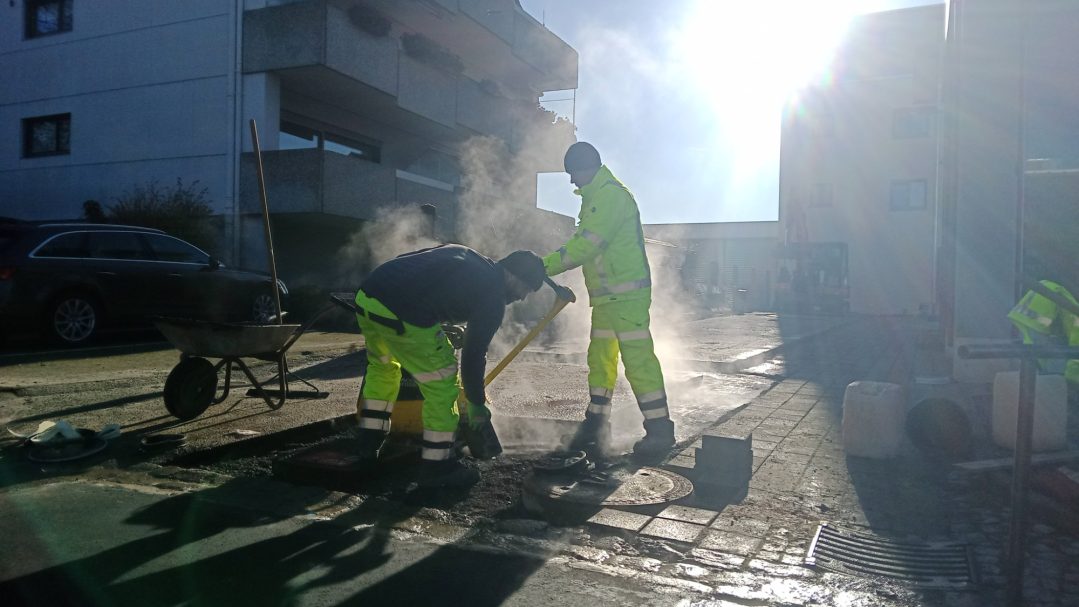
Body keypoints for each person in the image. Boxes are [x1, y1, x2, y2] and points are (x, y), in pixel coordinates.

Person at [353, 244, 546, 487]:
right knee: (443, 383)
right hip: (403, 312)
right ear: (515, 276)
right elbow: (474, 354)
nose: (523, 297)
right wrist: (476, 403)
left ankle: (366, 446)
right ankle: (438, 466)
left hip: (368, 296)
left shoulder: (468, 256)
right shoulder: (493, 295)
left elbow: (410, 263)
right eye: (527, 288)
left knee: (383, 367)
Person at [543, 141, 675, 457]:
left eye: (573, 174)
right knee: (599, 360)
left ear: (586, 168)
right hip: (607, 299)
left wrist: (540, 266)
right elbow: (584, 245)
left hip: (625, 297)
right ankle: (596, 424)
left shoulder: (611, 197)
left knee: (637, 360)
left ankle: (660, 430)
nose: (572, 182)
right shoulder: (596, 198)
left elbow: (586, 246)